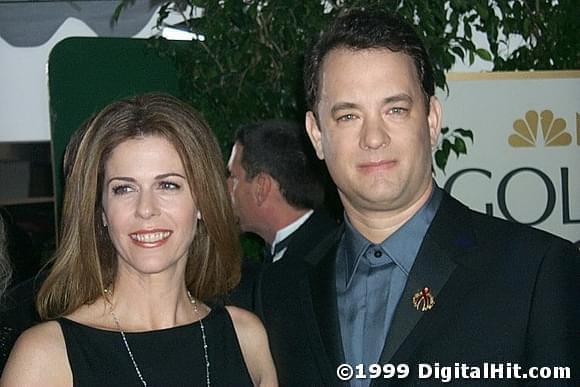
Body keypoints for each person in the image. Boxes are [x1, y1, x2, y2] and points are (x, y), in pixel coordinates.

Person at [259, 9, 580, 386]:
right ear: (316, 135)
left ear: (431, 121)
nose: (373, 138)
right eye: (348, 116)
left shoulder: (536, 272)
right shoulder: (281, 289)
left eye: (395, 110)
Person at [1, 93, 277, 386]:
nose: (146, 209)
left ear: (201, 202)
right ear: (102, 211)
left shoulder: (246, 338)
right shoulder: (44, 357)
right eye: (124, 189)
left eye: (168, 185)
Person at [226, 120, 338, 310]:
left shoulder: (329, 264)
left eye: (233, 178)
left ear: (261, 187)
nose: (226, 187)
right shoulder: (309, 250)